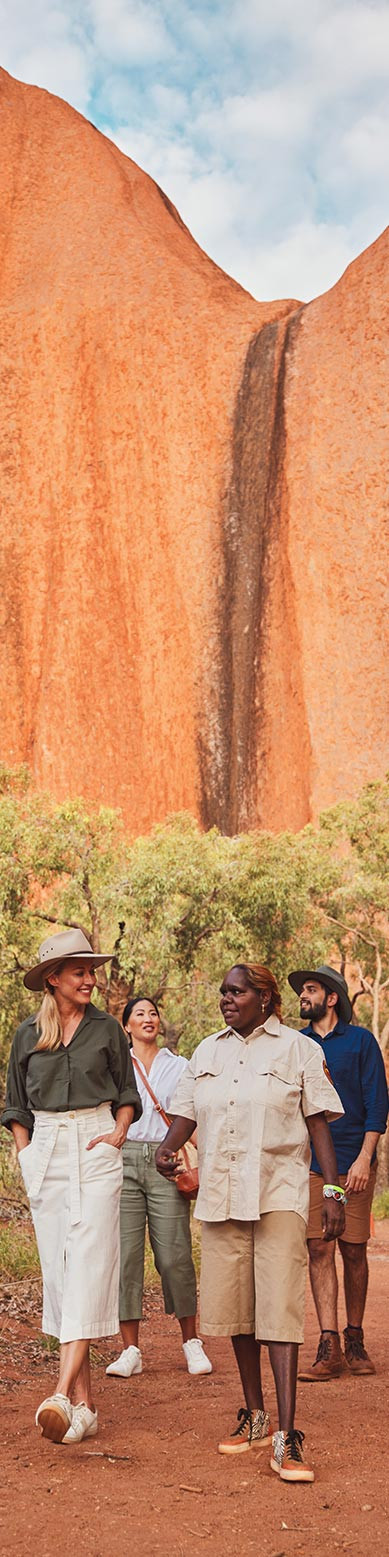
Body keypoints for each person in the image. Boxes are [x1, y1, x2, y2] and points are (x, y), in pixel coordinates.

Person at [155, 962, 345, 1484]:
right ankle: (255, 1415)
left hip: (279, 1190)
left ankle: (287, 1434)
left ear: (264, 998)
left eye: (236, 992)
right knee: (238, 1309)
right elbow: (186, 1114)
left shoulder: (299, 1049)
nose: (226, 999)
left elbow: (318, 1124)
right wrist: (168, 1149)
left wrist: (332, 1190)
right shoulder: (206, 1052)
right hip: (221, 1192)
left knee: (279, 1307)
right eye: (223, 992)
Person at [1, 928, 141, 1444]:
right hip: (46, 1149)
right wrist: (26, 1154)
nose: (90, 980)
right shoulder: (26, 1035)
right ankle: (85, 1406)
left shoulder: (107, 1029)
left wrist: (119, 1132)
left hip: (96, 1141)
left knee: (89, 1263)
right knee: (61, 1275)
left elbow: (126, 1091)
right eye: (79, 972)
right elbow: (16, 1104)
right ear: (53, 979)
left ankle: (60, 1393)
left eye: (91, 971)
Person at [288, 964, 389, 1381]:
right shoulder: (295, 1044)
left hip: (354, 1162)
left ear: (332, 998)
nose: (303, 996)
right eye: (302, 991)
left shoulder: (361, 1041)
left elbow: (377, 1102)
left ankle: (355, 1338)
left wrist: (365, 1157)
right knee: (319, 1247)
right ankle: (328, 1346)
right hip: (311, 1163)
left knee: (353, 1249)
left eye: (311, 990)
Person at [106, 995, 212, 1379]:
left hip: (166, 1160)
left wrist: (208, 1158)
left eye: (153, 1013)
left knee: (174, 1255)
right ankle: (130, 1350)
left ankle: (191, 1341)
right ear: (127, 1025)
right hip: (124, 1159)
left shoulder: (179, 1065)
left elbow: (189, 1116)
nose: (148, 1018)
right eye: (140, 1014)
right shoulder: (116, 1065)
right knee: (127, 1257)